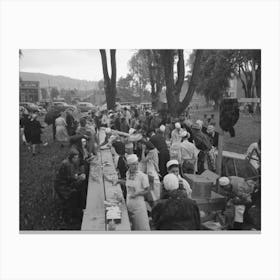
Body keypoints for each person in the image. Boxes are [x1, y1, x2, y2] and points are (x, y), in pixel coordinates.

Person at [54, 150, 87, 224]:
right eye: (75, 158)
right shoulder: (67, 164)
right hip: (62, 185)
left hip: (65, 183)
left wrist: (79, 174)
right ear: (71, 157)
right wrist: (79, 177)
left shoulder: (71, 162)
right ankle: (67, 219)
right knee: (69, 198)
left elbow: (74, 173)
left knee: (77, 192)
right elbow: (70, 178)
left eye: (77, 157)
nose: (77, 159)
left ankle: (75, 212)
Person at [125, 154, 151, 230]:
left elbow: (148, 190)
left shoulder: (142, 176)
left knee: (142, 227)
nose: (136, 166)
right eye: (133, 164)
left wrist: (137, 194)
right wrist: (119, 181)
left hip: (139, 207)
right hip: (130, 204)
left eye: (137, 164)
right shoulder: (128, 173)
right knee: (133, 227)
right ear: (129, 165)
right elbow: (128, 184)